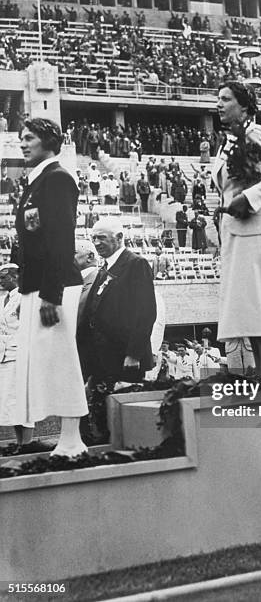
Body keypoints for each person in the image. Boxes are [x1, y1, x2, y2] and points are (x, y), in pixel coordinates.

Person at [15, 118, 88, 457]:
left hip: (55, 286)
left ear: (48, 140)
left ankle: (72, 438)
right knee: (45, 362)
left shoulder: (57, 179)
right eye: (21, 138)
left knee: (62, 360)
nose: (23, 143)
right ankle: (65, 436)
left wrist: (50, 293)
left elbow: (61, 240)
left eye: (29, 137)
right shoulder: (36, 182)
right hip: (38, 286)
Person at [213, 81, 261, 376]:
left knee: (256, 302)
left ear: (243, 106)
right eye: (218, 99)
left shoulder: (254, 134)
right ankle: (259, 371)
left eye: (226, 99)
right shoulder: (228, 141)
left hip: (255, 228)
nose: (219, 104)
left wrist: (247, 198)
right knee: (244, 305)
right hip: (235, 231)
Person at [77, 217, 156, 441]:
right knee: (105, 418)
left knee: (129, 420)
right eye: (94, 238)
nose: (97, 242)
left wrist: (133, 353)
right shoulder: (104, 269)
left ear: (120, 238)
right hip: (101, 357)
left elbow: (146, 313)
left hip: (124, 357)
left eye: (102, 237)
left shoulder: (135, 264)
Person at [0, 263, 37, 450]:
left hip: (22, 353)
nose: (0, 280)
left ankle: (27, 443)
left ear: (14, 277)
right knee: (11, 401)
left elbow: (29, 328)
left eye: (3, 276)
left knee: (24, 399)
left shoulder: (24, 298)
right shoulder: (4, 299)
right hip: (5, 355)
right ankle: (18, 442)